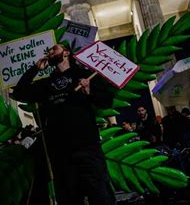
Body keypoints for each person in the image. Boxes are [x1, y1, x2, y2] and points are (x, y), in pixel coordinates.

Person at [12, 44, 116, 204]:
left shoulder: (84, 75)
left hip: (86, 147)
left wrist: (89, 92)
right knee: (69, 199)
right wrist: (34, 69)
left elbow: (106, 101)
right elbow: (19, 92)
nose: (50, 52)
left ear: (66, 52)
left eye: (55, 48)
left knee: (100, 195)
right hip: (60, 153)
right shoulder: (46, 84)